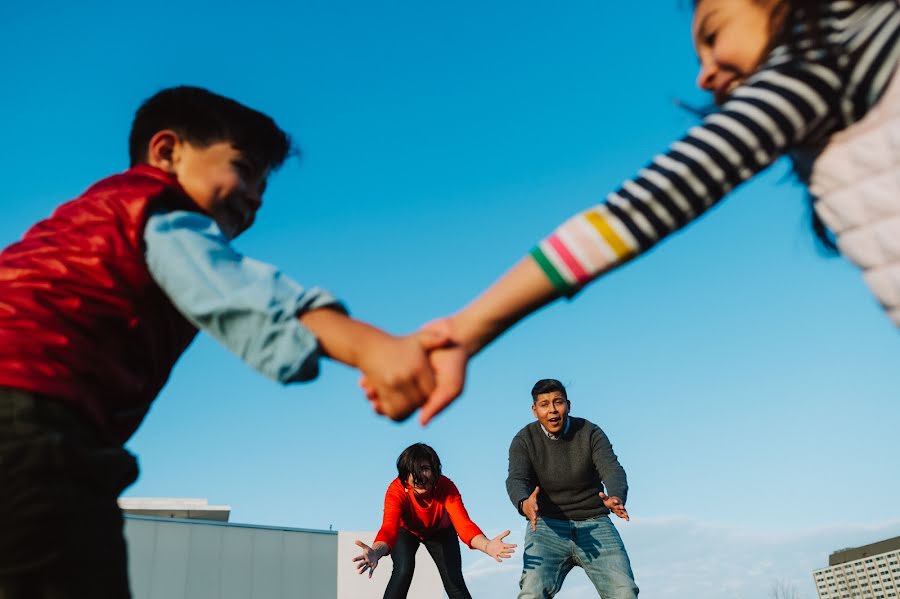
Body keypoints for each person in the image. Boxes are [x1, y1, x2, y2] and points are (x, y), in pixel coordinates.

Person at [0, 86, 447, 599]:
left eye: (264, 185)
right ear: (166, 152)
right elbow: (253, 297)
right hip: (28, 420)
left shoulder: (86, 226)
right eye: (243, 167)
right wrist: (374, 349)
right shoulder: (154, 206)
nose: (256, 196)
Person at [363, 0, 900, 423]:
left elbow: (637, 211)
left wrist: (466, 329)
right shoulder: (839, 88)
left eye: (713, 35)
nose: (704, 76)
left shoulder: (822, 50)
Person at [506, 379, 638, 598]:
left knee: (624, 591)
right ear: (535, 410)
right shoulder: (524, 440)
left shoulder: (589, 432)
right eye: (545, 404)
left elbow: (612, 468)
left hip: (594, 522)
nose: (552, 410)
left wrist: (615, 495)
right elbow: (516, 479)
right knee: (532, 591)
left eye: (558, 402)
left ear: (568, 405)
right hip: (547, 526)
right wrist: (524, 503)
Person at [353, 443, 516, 599]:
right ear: (404, 475)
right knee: (403, 569)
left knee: (453, 578)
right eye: (412, 471)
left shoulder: (446, 487)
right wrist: (376, 551)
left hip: (440, 531)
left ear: (435, 470)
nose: (418, 477)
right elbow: (389, 528)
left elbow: (464, 524)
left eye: (425, 469)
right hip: (407, 531)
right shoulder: (396, 490)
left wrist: (487, 545)